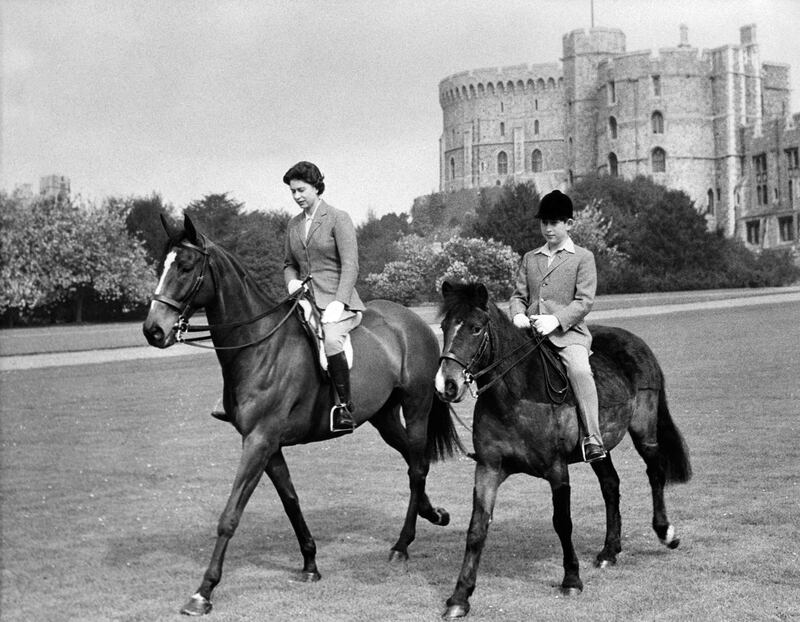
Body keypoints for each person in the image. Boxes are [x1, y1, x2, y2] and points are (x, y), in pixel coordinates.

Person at [508, 189, 606, 462]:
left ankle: (593, 439)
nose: (548, 229)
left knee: (580, 371)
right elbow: (518, 296)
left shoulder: (583, 257)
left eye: (554, 223)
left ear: (569, 224)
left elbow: (584, 301)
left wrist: (556, 320)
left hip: (568, 334)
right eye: (544, 223)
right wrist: (517, 314)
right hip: (530, 334)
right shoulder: (530, 257)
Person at [283, 161, 365, 433]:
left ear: (317, 187)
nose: (297, 197)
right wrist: (292, 281)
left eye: (301, 190)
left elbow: (351, 265)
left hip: (337, 300)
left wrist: (339, 302)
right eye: (293, 191)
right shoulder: (293, 225)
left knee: (331, 340)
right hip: (304, 299)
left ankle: (344, 408)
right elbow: (288, 263)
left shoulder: (337, 218)